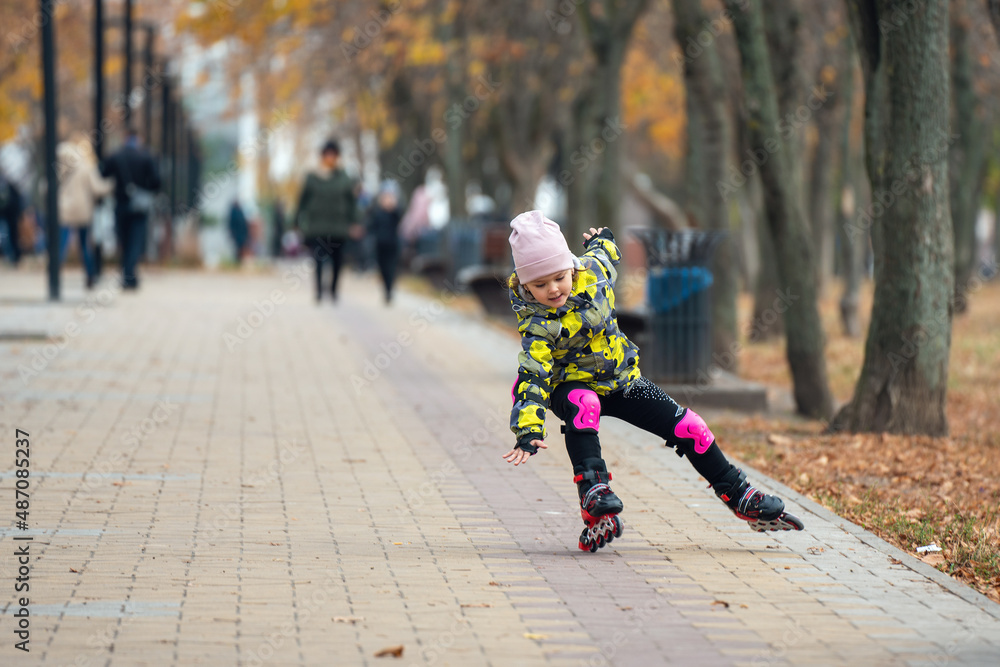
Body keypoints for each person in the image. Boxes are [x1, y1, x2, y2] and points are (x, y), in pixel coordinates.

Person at [502, 210, 803, 552]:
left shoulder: (595, 272)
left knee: (690, 426)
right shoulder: (537, 325)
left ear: (572, 266)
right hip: (570, 387)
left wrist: (603, 238)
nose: (553, 289)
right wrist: (528, 429)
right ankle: (594, 491)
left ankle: (739, 493)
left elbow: (607, 251)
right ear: (525, 285)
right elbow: (532, 374)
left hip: (621, 379)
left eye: (558, 277)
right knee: (585, 405)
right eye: (540, 285)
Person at [293, 139, 358, 302]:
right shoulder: (312, 177)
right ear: (322, 156)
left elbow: (351, 202)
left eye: (333, 155)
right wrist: (296, 222)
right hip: (318, 226)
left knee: (338, 261)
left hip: (339, 227)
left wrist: (356, 222)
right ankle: (319, 292)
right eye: (327, 155)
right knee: (319, 260)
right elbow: (302, 201)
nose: (330, 158)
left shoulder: (344, 178)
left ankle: (334, 290)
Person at [101, 129, 161, 289]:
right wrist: (144, 189)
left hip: (120, 204)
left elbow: (103, 174)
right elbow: (156, 182)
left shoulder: (115, 156)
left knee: (124, 241)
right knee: (136, 241)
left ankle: (127, 275)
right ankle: (130, 276)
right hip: (139, 207)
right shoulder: (146, 157)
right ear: (138, 138)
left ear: (124, 137)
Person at [57, 135, 114, 288]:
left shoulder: (59, 166)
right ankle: (90, 275)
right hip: (83, 210)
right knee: (84, 245)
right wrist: (113, 184)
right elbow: (97, 188)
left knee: (61, 244)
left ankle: (55, 275)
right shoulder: (86, 167)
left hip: (63, 209)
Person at [367, 181, 403, 304]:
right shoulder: (377, 212)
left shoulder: (395, 212)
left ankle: (389, 291)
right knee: (382, 268)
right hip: (380, 244)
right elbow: (371, 226)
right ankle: (386, 289)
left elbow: (401, 216)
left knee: (391, 268)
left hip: (393, 244)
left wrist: (394, 206)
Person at [0, 170, 24, 266]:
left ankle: (12, 257)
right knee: (7, 236)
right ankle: (10, 256)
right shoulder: (10, 186)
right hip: (8, 216)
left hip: (9, 216)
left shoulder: (9, 187)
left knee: (8, 236)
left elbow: (17, 201)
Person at [227, 200, 249, 266]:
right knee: (238, 248)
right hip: (237, 234)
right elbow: (232, 224)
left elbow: (244, 224)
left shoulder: (240, 211)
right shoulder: (233, 212)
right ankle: (237, 262)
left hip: (242, 234)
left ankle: (240, 262)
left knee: (241, 248)